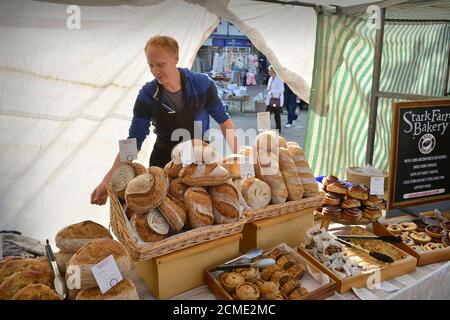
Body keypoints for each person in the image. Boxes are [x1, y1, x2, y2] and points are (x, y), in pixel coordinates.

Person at [91, 36, 238, 206]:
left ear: (175, 58)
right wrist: (107, 181)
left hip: (199, 167)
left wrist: (239, 158)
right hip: (162, 168)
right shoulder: (147, 95)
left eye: (160, 64)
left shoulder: (202, 85)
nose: (155, 71)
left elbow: (224, 122)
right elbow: (132, 142)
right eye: (151, 65)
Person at [265, 65, 284, 133]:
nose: (269, 72)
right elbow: (268, 87)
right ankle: (266, 128)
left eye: (270, 71)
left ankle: (278, 129)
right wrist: (269, 89)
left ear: (273, 71)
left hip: (276, 100)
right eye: (269, 71)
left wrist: (272, 90)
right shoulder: (270, 79)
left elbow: (281, 90)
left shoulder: (279, 79)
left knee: (277, 115)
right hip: (270, 99)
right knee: (267, 114)